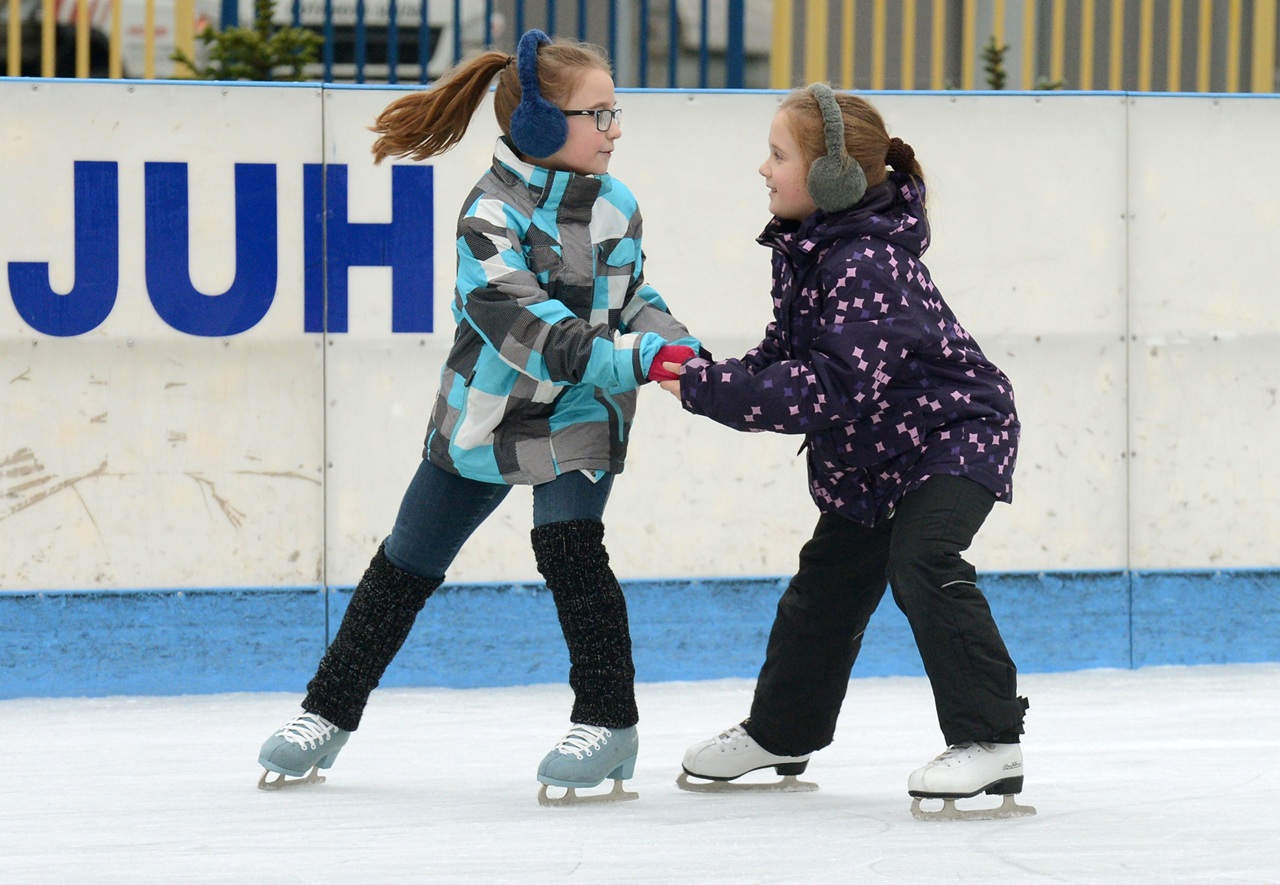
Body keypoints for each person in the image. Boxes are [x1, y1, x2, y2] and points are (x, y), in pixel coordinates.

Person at [257, 29, 701, 806]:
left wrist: (678, 349)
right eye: (597, 113)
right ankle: (325, 712)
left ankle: (608, 721)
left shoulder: (618, 206)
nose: (616, 128)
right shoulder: (488, 216)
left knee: (568, 543)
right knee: (406, 561)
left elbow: (632, 300)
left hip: (583, 404)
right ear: (536, 124)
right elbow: (531, 334)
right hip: (489, 407)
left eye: (614, 110)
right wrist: (638, 359)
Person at [661, 84, 1032, 820]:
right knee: (825, 588)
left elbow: (831, 387)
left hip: (953, 434)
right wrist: (702, 371)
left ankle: (990, 740)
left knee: (923, 559)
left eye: (777, 154)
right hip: (876, 457)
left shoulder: (864, 262)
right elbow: (784, 356)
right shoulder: (809, 251)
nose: (762, 169)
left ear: (832, 175)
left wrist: (706, 391)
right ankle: (782, 732)